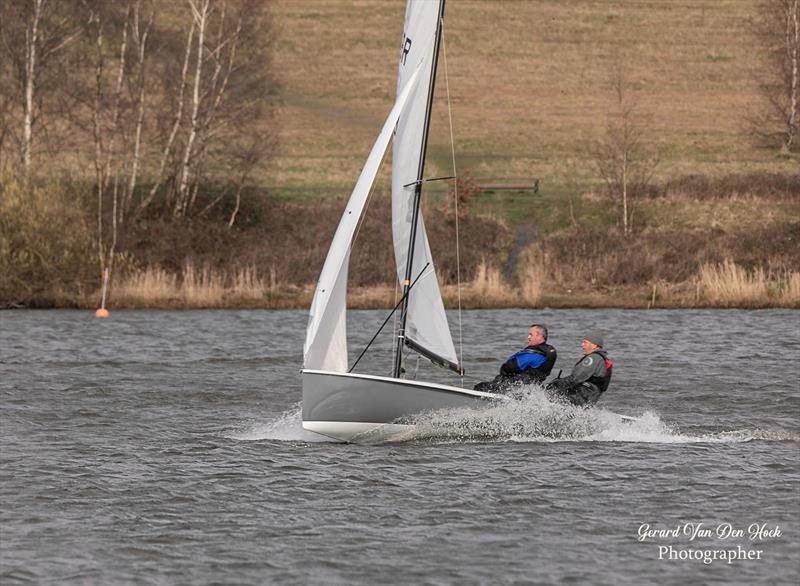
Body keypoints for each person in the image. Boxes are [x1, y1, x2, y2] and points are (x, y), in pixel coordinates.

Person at [474, 323, 557, 393]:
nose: (528, 337)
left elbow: (511, 367)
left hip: (511, 387)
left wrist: (504, 369)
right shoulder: (545, 353)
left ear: (540, 336)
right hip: (526, 388)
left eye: (531, 334)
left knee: (479, 386)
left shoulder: (534, 354)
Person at [546, 332, 612, 407]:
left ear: (594, 345)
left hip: (583, 395)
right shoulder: (600, 358)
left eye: (585, 342)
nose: (582, 345)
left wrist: (558, 383)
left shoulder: (593, 358)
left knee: (551, 392)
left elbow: (577, 377)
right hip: (590, 396)